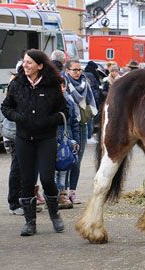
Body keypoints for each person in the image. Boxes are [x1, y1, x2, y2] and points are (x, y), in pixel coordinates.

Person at [1, 49, 68, 236]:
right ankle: (30, 223)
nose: (25, 65)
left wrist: (49, 120)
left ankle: (55, 215)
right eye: (24, 62)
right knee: (27, 180)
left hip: (46, 139)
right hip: (23, 139)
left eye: (29, 62)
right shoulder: (17, 84)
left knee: (47, 178)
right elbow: (5, 107)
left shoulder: (52, 85)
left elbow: (64, 111)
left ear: (40, 66)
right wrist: (17, 117)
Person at [63, 60, 97, 205]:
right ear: (67, 70)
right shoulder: (63, 83)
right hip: (67, 126)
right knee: (65, 160)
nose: (78, 73)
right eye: (74, 70)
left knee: (77, 160)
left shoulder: (85, 83)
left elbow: (89, 105)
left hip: (82, 124)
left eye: (79, 70)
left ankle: (73, 191)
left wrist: (89, 127)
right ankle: (63, 192)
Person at [56, 76, 80, 209]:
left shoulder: (70, 102)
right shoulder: (49, 103)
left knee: (65, 168)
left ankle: (63, 195)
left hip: (68, 140)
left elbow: (75, 123)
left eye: (63, 86)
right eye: (59, 86)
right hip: (53, 141)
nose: (62, 89)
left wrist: (75, 140)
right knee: (54, 171)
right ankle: (55, 195)